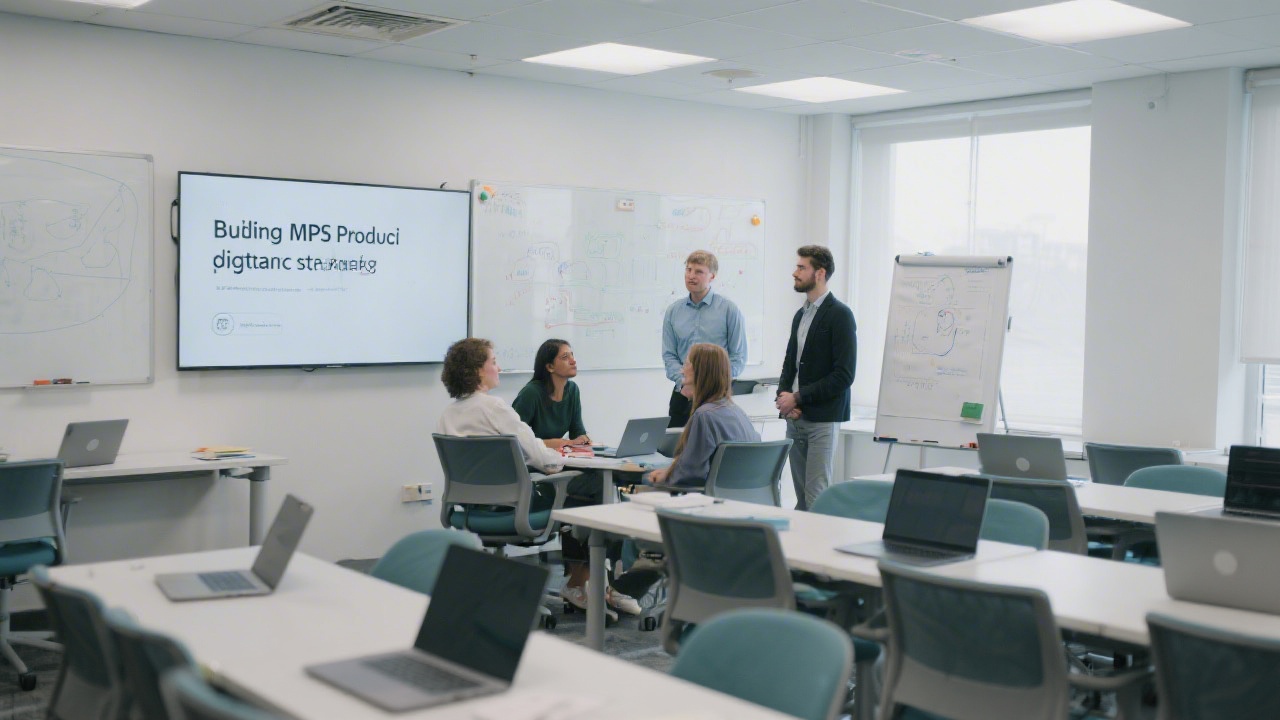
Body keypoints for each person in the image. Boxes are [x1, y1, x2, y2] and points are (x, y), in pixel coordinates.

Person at [509, 339, 639, 616]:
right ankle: (591, 582)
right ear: (549, 365)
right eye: (565, 357)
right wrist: (558, 442)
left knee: (604, 486)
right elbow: (516, 442)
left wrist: (583, 441)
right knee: (594, 492)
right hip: (537, 478)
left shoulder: (572, 390)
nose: (573, 360)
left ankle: (597, 582)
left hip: (563, 470)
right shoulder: (531, 394)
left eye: (573, 355)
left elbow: (578, 431)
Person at [776, 245, 856, 511]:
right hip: (795, 417)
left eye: (801, 267)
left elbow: (844, 375)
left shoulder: (840, 315)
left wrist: (797, 397)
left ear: (819, 273)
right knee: (801, 501)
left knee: (816, 498)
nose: (795, 273)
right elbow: (790, 363)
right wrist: (784, 399)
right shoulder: (802, 314)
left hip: (822, 419)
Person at [647, 343, 759, 488]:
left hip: (711, 502)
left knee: (645, 480)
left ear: (700, 370)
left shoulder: (704, 416)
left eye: (687, 364)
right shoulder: (738, 412)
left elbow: (688, 474)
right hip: (741, 500)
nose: (682, 370)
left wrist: (665, 475)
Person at [661, 250, 747, 428]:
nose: (691, 276)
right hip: (683, 394)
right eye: (688, 270)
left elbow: (738, 357)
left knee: (714, 452)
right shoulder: (673, 311)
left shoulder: (729, 310)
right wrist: (684, 382)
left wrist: (712, 386)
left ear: (712, 276)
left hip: (716, 399)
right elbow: (669, 355)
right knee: (675, 451)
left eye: (699, 271)